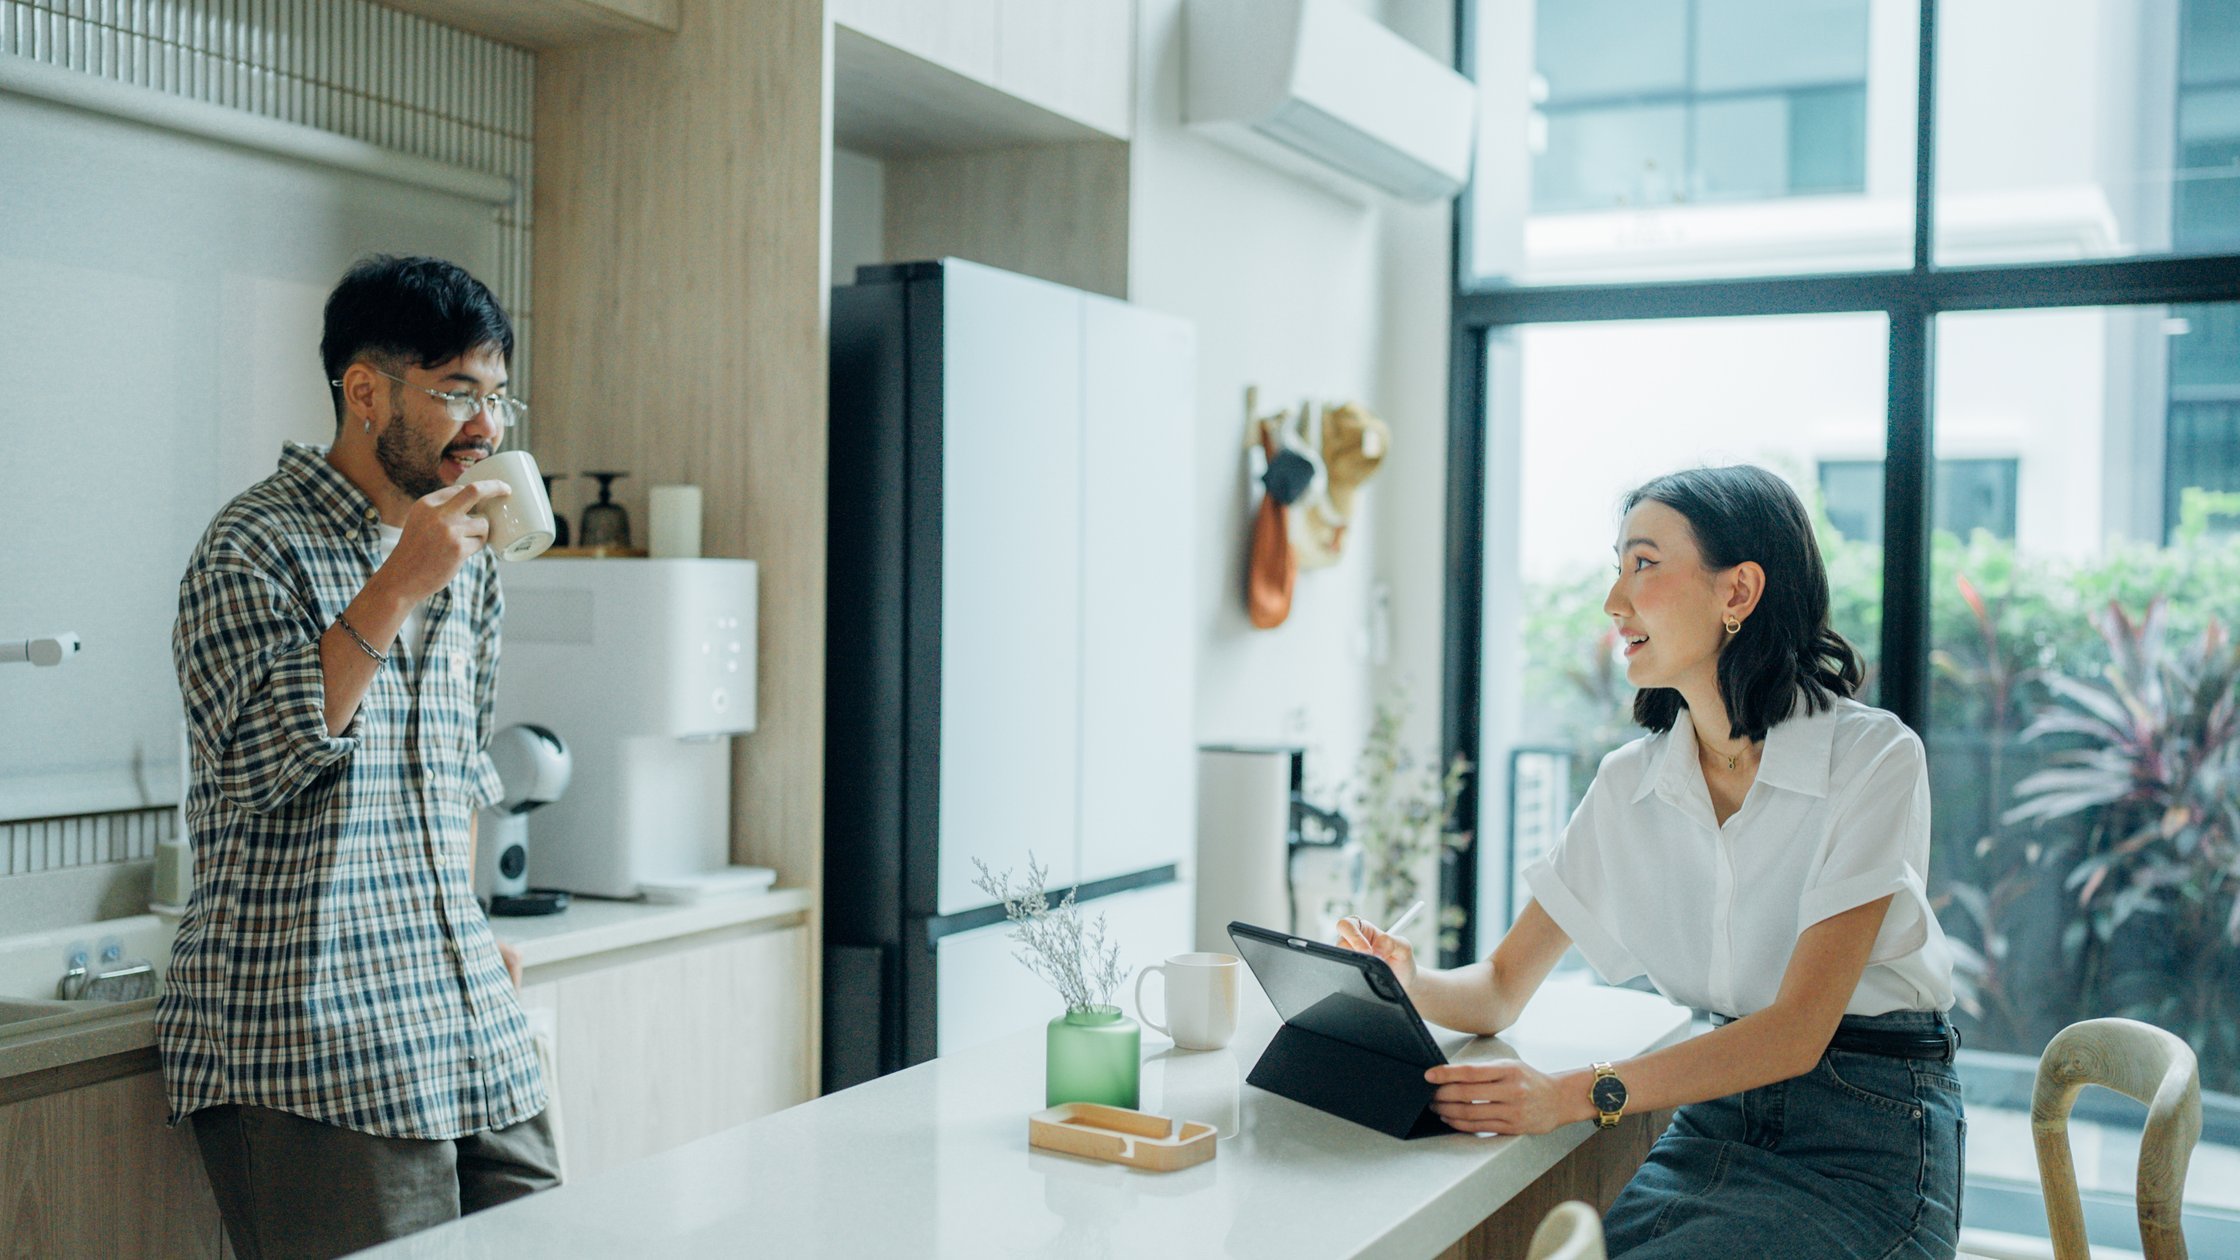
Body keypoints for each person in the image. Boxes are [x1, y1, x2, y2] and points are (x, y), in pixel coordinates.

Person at [1340, 465, 1963, 1259]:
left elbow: (1796, 1032)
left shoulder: (1873, 759)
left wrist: (1568, 1096)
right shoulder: (1627, 786)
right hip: (1719, 1117)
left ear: (1737, 592)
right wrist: (1407, 981)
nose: (1614, 601)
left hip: (1870, 1133)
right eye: (1618, 566)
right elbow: (1500, 986)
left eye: (1643, 564)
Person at [163, 255, 559, 1258]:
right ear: (366, 390)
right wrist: (393, 588)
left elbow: (461, 765)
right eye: (457, 393)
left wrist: (468, 923)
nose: (487, 427)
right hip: (317, 1038)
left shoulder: (473, 559)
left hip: (468, 1015)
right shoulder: (250, 547)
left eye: (496, 395)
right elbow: (258, 762)